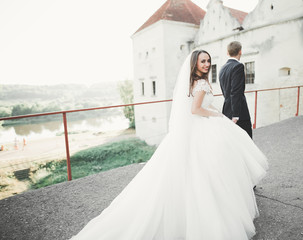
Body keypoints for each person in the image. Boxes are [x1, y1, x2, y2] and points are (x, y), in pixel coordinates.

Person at [70, 50, 268, 240]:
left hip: (200, 127)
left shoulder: (195, 82)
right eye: (203, 61)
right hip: (203, 127)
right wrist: (217, 115)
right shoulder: (200, 83)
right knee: (207, 171)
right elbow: (196, 109)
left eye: (208, 61)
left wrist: (217, 113)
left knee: (199, 171)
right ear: (195, 64)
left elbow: (202, 106)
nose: (207, 64)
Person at [219, 41, 253, 138]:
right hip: (239, 114)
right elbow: (236, 92)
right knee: (247, 143)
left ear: (227, 53)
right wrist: (236, 115)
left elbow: (225, 92)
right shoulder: (238, 66)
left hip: (226, 111)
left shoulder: (222, 68)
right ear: (240, 52)